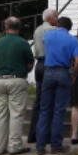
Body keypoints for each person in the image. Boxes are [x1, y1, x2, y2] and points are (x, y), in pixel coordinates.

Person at [34, 16, 78, 155]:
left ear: (58, 25)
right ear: (69, 27)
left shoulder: (47, 35)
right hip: (63, 72)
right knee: (59, 111)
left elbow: (43, 44)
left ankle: (40, 147)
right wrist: (74, 75)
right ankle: (55, 145)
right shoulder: (73, 40)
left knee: (44, 110)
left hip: (48, 72)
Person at [0, 16, 33, 155]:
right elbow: (30, 64)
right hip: (16, 80)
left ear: (5, 27)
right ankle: (14, 146)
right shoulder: (22, 43)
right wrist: (23, 72)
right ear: (19, 27)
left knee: (0, 114)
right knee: (16, 114)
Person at [28, 8, 57, 143]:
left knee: (39, 101)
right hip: (49, 64)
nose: (57, 18)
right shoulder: (52, 30)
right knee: (49, 101)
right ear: (50, 18)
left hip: (38, 64)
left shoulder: (37, 30)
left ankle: (33, 133)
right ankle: (47, 135)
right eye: (56, 16)